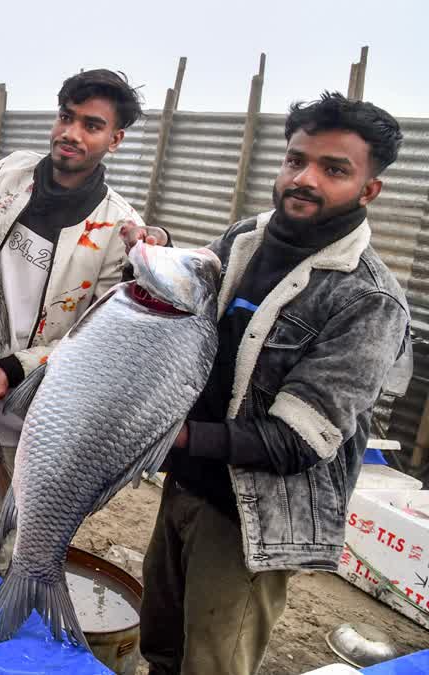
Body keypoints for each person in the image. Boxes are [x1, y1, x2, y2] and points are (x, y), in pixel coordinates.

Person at [124, 92, 411, 675]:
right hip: (183, 488)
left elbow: (298, 441)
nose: (304, 179)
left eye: (334, 170)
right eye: (296, 160)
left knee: (211, 664)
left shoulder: (369, 301)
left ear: (368, 189)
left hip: (249, 521)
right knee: (159, 647)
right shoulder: (246, 239)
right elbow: (191, 314)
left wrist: (172, 436)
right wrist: (155, 248)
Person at [0, 70, 149, 567]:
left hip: (31, 420)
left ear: (115, 139)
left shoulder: (117, 230)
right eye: (65, 117)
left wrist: (21, 366)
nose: (71, 133)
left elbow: (96, 338)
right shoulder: (8, 175)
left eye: (91, 125)